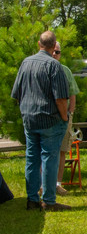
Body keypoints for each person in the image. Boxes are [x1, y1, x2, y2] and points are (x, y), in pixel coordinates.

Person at [11, 31, 71, 211]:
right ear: (54, 47)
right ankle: (49, 201)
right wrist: (64, 116)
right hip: (49, 119)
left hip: (29, 119)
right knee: (49, 159)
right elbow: (61, 99)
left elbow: (16, 93)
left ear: (39, 44)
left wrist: (26, 111)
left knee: (32, 158)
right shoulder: (54, 66)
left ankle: (32, 200)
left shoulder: (25, 63)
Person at [52, 42, 79, 195]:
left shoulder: (65, 71)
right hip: (49, 117)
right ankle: (43, 184)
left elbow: (73, 92)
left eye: (58, 52)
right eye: (53, 51)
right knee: (46, 151)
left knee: (62, 150)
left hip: (65, 118)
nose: (55, 54)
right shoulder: (43, 69)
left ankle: (58, 184)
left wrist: (70, 112)